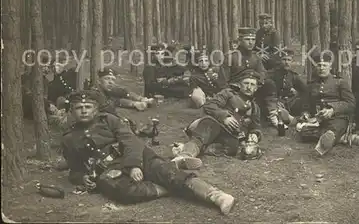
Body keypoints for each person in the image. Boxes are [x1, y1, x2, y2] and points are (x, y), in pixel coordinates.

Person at [61, 90, 235, 215]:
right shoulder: (69, 138)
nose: (84, 110)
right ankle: (170, 179)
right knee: (122, 192)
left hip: (135, 155)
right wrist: (81, 177)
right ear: (72, 111)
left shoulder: (109, 120)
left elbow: (130, 141)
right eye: (79, 108)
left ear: (96, 109)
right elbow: (75, 168)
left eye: (88, 106)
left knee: (168, 173)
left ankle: (216, 196)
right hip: (108, 170)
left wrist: (134, 165)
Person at [172, 69, 263, 169]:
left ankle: (184, 148)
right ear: (239, 84)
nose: (249, 87)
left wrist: (255, 134)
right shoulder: (228, 93)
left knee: (233, 148)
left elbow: (256, 126)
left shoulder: (255, 107)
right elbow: (209, 105)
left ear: (256, 88)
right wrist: (224, 116)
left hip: (229, 135)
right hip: (213, 125)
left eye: (252, 85)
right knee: (207, 130)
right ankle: (184, 156)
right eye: (246, 83)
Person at [294, 51, 359, 156]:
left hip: (337, 117)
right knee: (303, 132)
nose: (321, 68)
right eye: (319, 65)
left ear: (330, 67)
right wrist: (306, 114)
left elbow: (351, 103)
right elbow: (306, 104)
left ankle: (325, 143)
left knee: (334, 129)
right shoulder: (312, 85)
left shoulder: (340, 83)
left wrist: (333, 110)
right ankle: (342, 137)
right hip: (318, 119)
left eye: (324, 65)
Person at [220, 27, 279, 128]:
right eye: (247, 39)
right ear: (240, 41)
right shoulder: (230, 57)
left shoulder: (255, 57)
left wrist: (256, 84)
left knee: (269, 84)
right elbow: (223, 81)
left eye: (253, 40)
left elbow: (262, 73)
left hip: (253, 90)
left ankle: (273, 114)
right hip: (236, 92)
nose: (251, 42)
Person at [267, 48, 308, 117]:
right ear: (279, 61)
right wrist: (276, 101)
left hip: (289, 103)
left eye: (289, 60)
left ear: (292, 62)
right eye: (284, 59)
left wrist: (296, 94)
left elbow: (305, 90)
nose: (287, 62)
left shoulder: (293, 76)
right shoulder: (272, 75)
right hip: (273, 103)